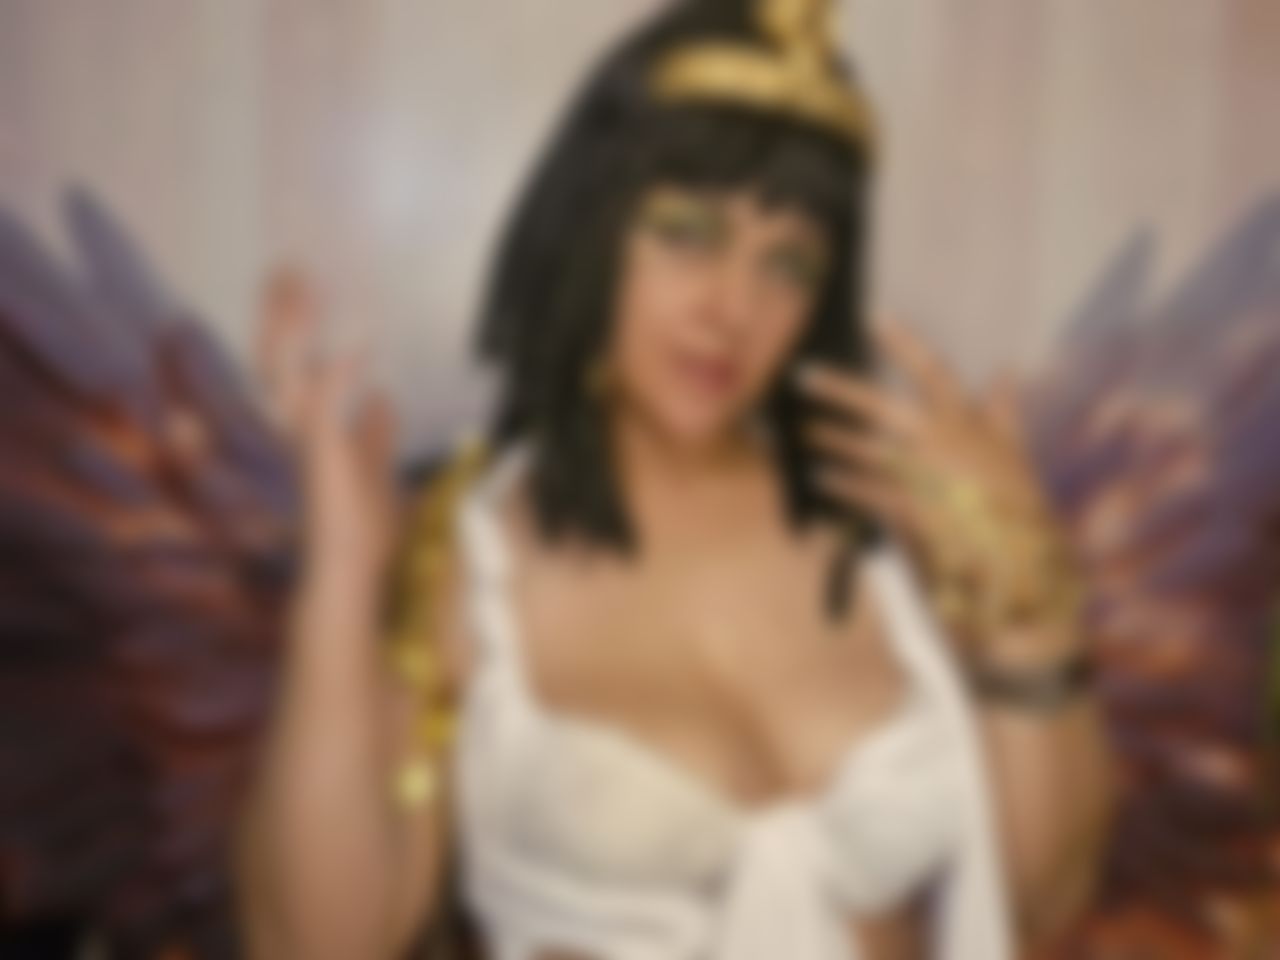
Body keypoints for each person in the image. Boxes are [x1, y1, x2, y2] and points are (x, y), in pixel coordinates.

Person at [233, 0, 1116, 957]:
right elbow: (315, 945)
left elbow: (1042, 902)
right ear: (591, 225)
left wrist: (1024, 586)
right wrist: (343, 572)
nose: (733, 308)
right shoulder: (462, 550)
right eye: (688, 231)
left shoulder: (896, 521)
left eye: (787, 261)